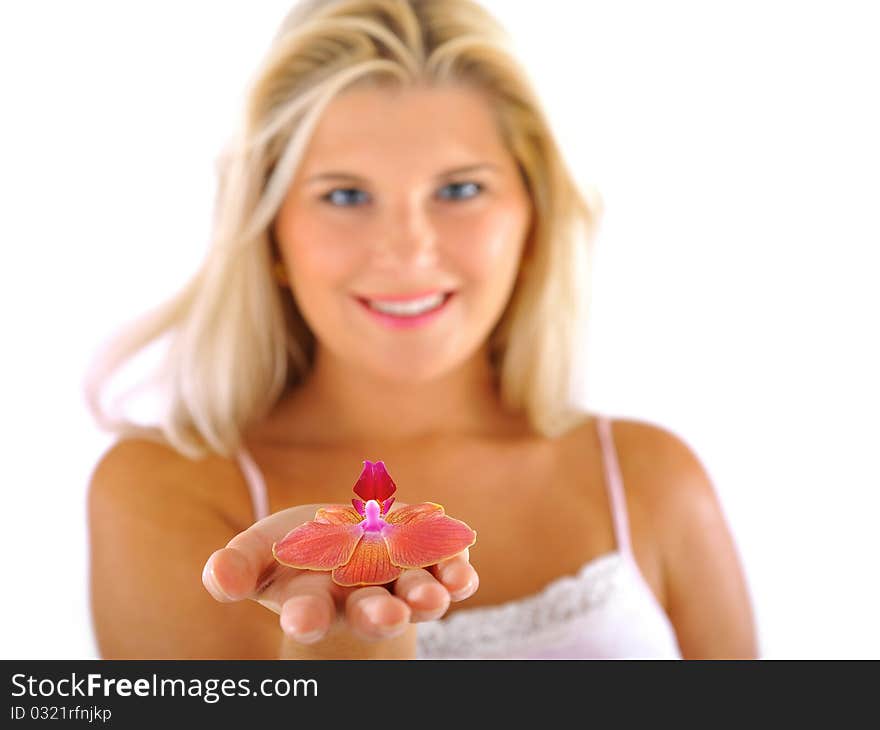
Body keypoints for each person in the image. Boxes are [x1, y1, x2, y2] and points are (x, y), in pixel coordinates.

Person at [85, 0, 758, 660]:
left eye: (460, 190)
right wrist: (343, 652)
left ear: (533, 219)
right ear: (271, 237)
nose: (408, 250)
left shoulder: (653, 479)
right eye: (345, 196)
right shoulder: (165, 494)